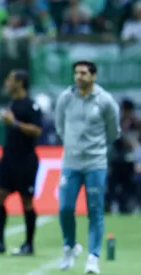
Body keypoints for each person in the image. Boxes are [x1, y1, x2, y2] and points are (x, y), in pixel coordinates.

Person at [55, 61, 120, 274]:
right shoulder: (66, 97)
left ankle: (93, 257)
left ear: (94, 76)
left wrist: (95, 148)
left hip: (95, 163)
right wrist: (73, 146)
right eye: (76, 73)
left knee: (95, 211)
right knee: (65, 208)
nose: (78, 77)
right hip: (71, 163)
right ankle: (69, 246)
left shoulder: (105, 101)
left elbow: (113, 132)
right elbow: (59, 126)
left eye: (83, 73)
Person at [0, 70, 42, 256]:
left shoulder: (32, 106)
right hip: (9, 159)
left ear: (20, 82)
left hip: (26, 160)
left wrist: (14, 123)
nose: (6, 83)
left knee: (26, 200)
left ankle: (29, 244)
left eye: (10, 79)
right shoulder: (12, 103)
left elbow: (37, 130)